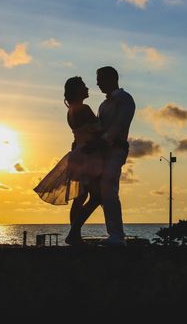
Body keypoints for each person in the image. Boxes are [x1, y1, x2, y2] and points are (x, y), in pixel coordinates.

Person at [33, 77, 104, 245]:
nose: (87, 88)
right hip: (87, 154)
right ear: (77, 90)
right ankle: (74, 233)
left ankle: (75, 235)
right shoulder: (84, 109)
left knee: (80, 197)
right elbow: (99, 130)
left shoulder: (71, 110)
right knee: (97, 197)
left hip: (78, 154)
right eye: (83, 86)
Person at [70, 66, 136, 247]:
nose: (97, 83)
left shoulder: (125, 99)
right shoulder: (103, 105)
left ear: (111, 78)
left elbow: (118, 126)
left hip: (116, 150)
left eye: (100, 79)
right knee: (99, 192)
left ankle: (116, 235)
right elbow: (95, 129)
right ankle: (110, 233)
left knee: (108, 184)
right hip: (99, 153)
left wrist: (99, 142)